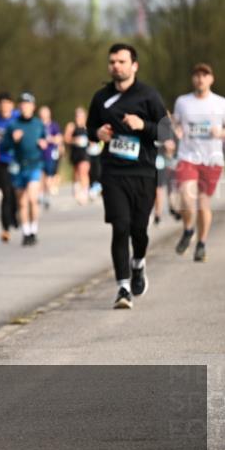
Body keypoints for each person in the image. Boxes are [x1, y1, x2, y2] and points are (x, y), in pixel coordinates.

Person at [86, 43, 168, 309]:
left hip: (143, 171)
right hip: (112, 172)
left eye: (121, 62)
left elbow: (167, 133)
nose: (115, 66)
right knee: (120, 227)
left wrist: (143, 125)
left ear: (134, 65)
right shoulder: (101, 98)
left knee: (138, 230)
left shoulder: (149, 96)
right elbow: (89, 128)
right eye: (112, 62)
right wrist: (97, 134)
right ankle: (122, 287)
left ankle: (138, 264)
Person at [171, 63, 225, 262]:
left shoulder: (221, 103)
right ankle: (188, 230)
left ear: (211, 79)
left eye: (204, 75)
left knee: (203, 204)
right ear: (192, 79)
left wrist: (220, 133)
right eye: (196, 75)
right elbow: (176, 123)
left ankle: (201, 244)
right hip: (188, 157)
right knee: (186, 197)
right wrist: (176, 130)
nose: (200, 78)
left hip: (212, 159)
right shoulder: (183, 102)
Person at [1, 93, 47, 246]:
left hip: (35, 165)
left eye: (27, 104)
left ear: (33, 107)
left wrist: (43, 144)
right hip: (19, 167)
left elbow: (46, 140)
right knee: (21, 202)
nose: (24, 107)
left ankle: (34, 230)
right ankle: (26, 232)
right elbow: (3, 147)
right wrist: (13, 140)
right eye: (22, 104)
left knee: (33, 199)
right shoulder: (13, 126)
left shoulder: (38, 124)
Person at [0, 93, 20, 242]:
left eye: (7, 103)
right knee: (6, 194)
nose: (4, 106)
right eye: (1, 103)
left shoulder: (18, 117)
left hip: (18, 161)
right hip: (2, 161)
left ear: (12, 105)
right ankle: (5, 228)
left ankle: (15, 216)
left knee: (16, 194)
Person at [64, 107, 92, 205]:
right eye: (77, 115)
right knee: (76, 172)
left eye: (81, 115)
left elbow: (93, 139)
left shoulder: (88, 126)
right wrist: (75, 140)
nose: (78, 118)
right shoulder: (71, 126)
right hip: (75, 152)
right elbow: (66, 139)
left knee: (83, 171)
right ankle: (76, 188)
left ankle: (85, 193)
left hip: (85, 153)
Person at [39, 105, 63, 208]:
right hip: (38, 154)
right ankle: (40, 195)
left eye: (45, 113)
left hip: (50, 154)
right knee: (40, 176)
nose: (43, 115)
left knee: (48, 177)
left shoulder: (54, 125)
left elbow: (59, 139)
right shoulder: (37, 125)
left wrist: (49, 139)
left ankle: (46, 195)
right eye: (42, 113)